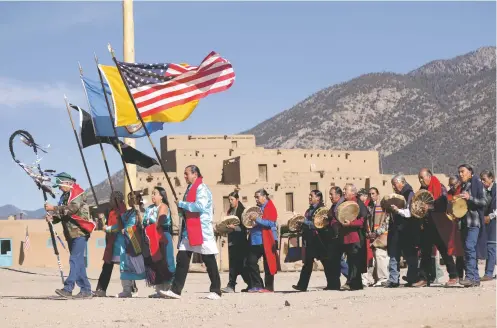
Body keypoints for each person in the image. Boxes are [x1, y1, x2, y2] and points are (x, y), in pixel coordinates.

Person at [163, 165, 222, 300]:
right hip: (188, 229)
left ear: (195, 174)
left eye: (186, 174)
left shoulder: (202, 189)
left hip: (201, 229)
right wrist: (181, 208)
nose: (184, 176)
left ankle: (216, 290)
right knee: (182, 259)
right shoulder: (189, 189)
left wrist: (183, 204)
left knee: (208, 259)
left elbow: (200, 206)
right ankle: (175, 290)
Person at [44, 172, 95, 299]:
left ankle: (68, 288)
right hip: (70, 233)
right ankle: (86, 290)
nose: (60, 188)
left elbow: (72, 209)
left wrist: (53, 208)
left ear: (67, 183)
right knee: (79, 262)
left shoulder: (77, 193)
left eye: (60, 186)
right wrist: (53, 218)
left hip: (79, 231)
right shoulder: (65, 196)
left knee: (74, 259)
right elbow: (63, 214)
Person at [413, 168, 459, 287]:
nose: (421, 180)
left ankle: (453, 276)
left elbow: (443, 203)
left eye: (422, 178)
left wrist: (429, 207)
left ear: (429, 176)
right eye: (419, 178)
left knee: (444, 251)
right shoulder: (422, 190)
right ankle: (424, 278)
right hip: (427, 225)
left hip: (439, 224)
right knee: (425, 253)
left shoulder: (440, 187)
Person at [104, 192, 146, 297]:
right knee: (124, 265)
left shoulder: (141, 211)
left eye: (132, 198)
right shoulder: (127, 213)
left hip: (134, 240)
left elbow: (141, 224)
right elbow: (119, 226)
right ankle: (127, 289)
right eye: (128, 198)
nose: (129, 200)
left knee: (138, 264)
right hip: (125, 242)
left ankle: (161, 287)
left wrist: (138, 213)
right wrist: (110, 228)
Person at [293, 190, 333, 292]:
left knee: (326, 263)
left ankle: (333, 284)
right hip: (310, 241)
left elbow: (318, 224)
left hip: (320, 240)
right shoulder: (308, 211)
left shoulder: (322, 210)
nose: (309, 197)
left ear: (318, 198)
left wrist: (305, 222)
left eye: (312, 196)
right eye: (309, 195)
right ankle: (302, 285)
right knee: (307, 264)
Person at [384, 174, 419, 288]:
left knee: (409, 254)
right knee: (394, 254)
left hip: (407, 229)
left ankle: (412, 278)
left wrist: (397, 210)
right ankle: (394, 279)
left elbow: (410, 212)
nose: (393, 187)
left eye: (395, 184)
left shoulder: (409, 194)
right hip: (396, 229)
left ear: (401, 182)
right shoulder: (398, 194)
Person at [458, 164, 488, 287]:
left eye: (462, 171)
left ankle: (470, 276)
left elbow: (484, 201)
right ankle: (475, 278)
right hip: (465, 222)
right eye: (459, 172)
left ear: (470, 172)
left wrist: (469, 197)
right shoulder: (463, 186)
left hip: (474, 222)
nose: (460, 174)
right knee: (468, 249)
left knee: (470, 247)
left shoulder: (478, 184)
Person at [333, 184, 368, 291]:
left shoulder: (358, 203)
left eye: (345, 190)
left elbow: (362, 220)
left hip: (355, 237)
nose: (343, 191)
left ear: (353, 193)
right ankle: (352, 283)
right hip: (345, 236)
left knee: (355, 261)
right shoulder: (343, 203)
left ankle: (355, 284)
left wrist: (351, 224)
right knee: (349, 261)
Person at [142, 186, 175, 297]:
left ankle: (170, 288)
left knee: (166, 261)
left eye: (155, 193)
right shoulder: (149, 208)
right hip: (151, 236)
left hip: (162, 236)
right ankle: (159, 290)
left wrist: (153, 227)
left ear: (161, 196)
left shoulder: (163, 206)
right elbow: (145, 222)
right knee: (156, 262)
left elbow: (160, 219)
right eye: (152, 193)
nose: (152, 196)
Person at [244, 189, 279, 293]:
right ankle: (258, 284)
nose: (256, 199)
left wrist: (257, 219)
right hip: (255, 239)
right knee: (251, 261)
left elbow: (271, 223)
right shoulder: (257, 208)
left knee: (268, 263)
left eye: (257, 197)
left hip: (266, 239)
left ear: (264, 197)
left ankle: (269, 287)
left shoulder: (270, 207)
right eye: (255, 197)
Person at [93, 191, 127, 297]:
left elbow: (120, 225)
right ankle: (101, 289)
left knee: (125, 266)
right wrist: (103, 221)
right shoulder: (111, 211)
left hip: (120, 242)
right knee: (107, 266)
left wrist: (108, 229)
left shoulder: (122, 210)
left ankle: (132, 288)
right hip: (111, 241)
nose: (110, 200)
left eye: (113, 198)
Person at [221, 192, 249, 293]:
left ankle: (250, 284)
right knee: (233, 265)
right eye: (229, 200)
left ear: (237, 199)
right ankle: (231, 285)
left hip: (240, 243)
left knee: (242, 266)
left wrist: (235, 227)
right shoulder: (230, 211)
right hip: (232, 241)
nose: (230, 202)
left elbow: (245, 226)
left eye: (232, 200)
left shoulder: (242, 211)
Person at [367, 187, 390, 287]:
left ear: (377, 194)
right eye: (370, 194)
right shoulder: (370, 207)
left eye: (373, 193)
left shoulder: (383, 206)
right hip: (373, 235)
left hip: (381, 236)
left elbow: (386, 221)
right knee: (376, 257)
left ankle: (383, 278)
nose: (371, 196)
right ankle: (377, 278)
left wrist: (377, 232)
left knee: (381, 256)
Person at [480, 170, 496, 281]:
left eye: (484, 179)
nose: (482, 181)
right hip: (487, 221)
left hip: (493, 221)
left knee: (491, 246)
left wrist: (489, 217)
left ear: (492, 178)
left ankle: (489, 273)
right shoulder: (484, 191)